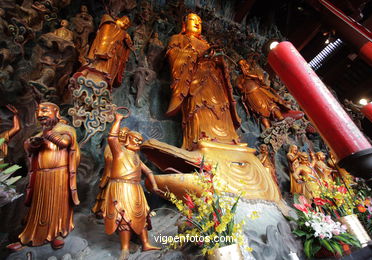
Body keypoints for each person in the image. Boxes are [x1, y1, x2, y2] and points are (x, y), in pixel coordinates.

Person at [166, 13, 241, 151]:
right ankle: (200, 137)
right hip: (194, 80)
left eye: (199, 22)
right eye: (193, 20)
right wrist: (195, 55)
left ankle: (229, 139)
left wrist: (218, 60)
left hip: (214, 80)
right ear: (184, 24)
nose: (197, 24)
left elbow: (220, 67)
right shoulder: (177, 38)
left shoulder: (206, 44)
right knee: (200, 107)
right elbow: (173, 56)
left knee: (221, 107)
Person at [19, 102, 80, 249]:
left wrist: (48, 133)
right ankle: (31, 236)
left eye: (44, 110)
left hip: (59, 174)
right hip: (41, 176)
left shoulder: (66, 129)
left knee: (57, 205)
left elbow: (65, 142)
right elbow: (28, 148)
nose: (40, 114)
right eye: (38, 111)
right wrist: (32, 144)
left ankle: (57, 234)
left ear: (56, 112)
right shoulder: (40, 133)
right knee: (39, 206)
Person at [104, 111, 161, 259]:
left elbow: (148, 172)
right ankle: (125, 248)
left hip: (136, 188)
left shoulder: (136, 157)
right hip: (120, 187)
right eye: (136, 139)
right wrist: (117, 120)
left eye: (140, 140)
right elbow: (112, 138)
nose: (138, 143)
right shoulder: (119, 152)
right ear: (128, 139)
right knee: (123, 217)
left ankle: (146, 243)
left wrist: (154, 186)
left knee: (142, 215)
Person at [92, 127, 130, 217]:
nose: (122, 135)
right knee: (108, 193)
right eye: (120, 132)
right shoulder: (110, 147)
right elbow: (108, 161)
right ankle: (104, 210)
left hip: (124, 178)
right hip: (111, 174)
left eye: (125, 134)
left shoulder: (130, 149)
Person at [86, 14, 132, 89]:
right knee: (100, 68)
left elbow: (129, 46)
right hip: (105, 54)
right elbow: (105, 38)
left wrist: (126, 38)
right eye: (125, 21)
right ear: (119, 19)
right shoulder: (110, 25)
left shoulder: (123, 34)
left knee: (110, 73)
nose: (126, 24)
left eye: (127, 25)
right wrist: (123, 34)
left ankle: (106, 83)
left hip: (115, 57)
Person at [237, 59, 286, 129]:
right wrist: (242, 81)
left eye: (245, 63)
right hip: (250, 95)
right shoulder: (239, 78)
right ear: (239, 68)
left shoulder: (255, 71)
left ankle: (281, 119)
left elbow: (260, 79)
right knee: (260, 112)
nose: (244, 66)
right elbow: (239, 87)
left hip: (259, 91)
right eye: (241, 65)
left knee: (270, 105)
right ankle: (267, 128)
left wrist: (248, 75)